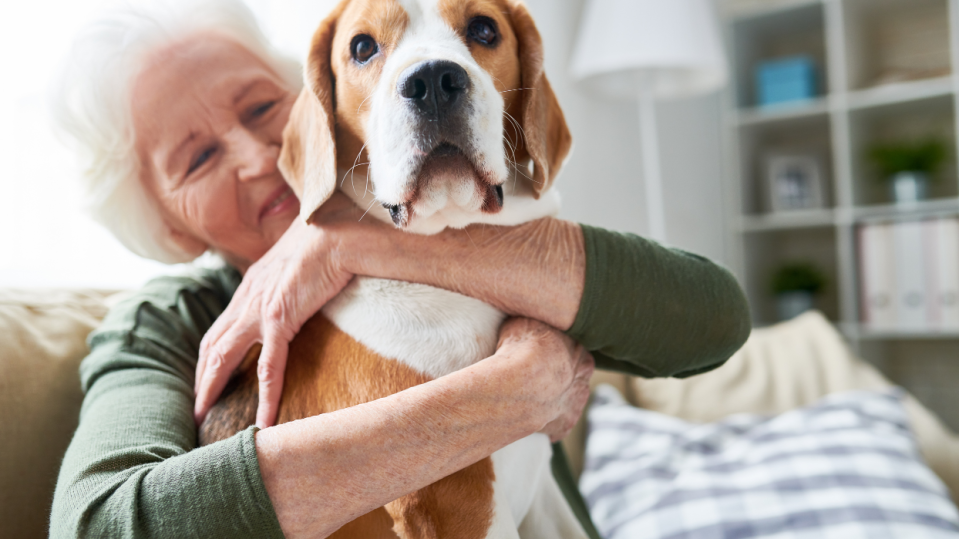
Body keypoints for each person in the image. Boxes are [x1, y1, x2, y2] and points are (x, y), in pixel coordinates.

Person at [49, 0, 751, 537]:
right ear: (168, 225)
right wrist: (513, 394)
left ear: (317, 108)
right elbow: (101, 522)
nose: (258, 157)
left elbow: (716, 319)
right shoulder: (163, 323)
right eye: (198, 158)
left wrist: (350, 244)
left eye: (262, 107)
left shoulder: (476, 224)